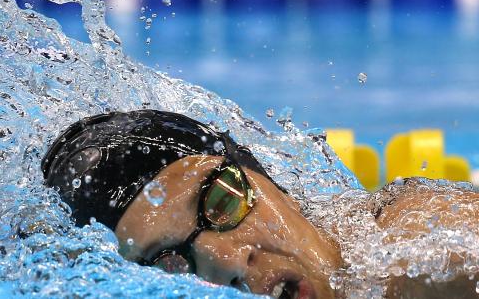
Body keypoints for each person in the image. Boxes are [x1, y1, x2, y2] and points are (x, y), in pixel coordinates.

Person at [41, 109, 479, 299]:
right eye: (168, 263)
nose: (225, 260)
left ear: (267, 180)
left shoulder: (424, 252)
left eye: (221, 201)